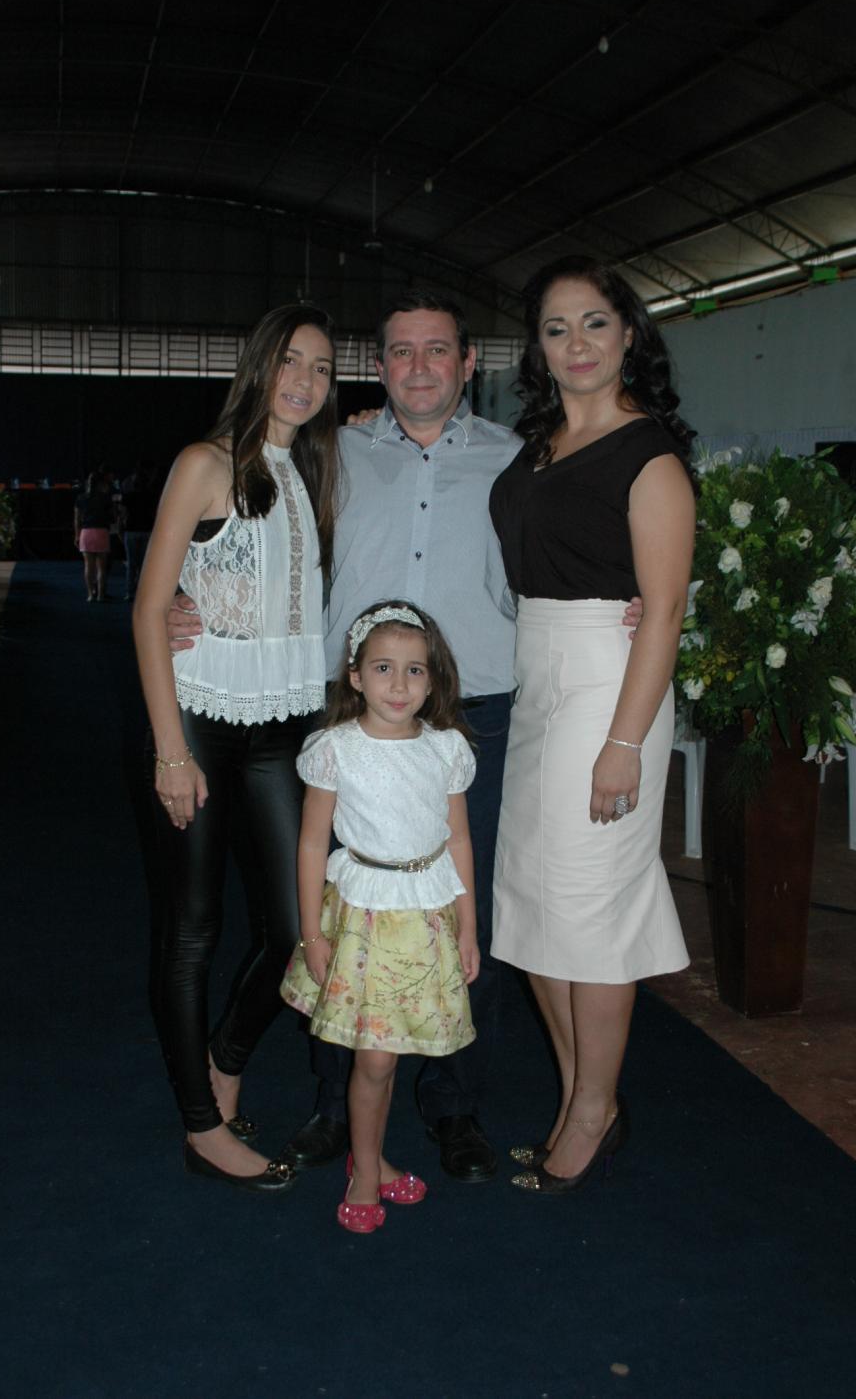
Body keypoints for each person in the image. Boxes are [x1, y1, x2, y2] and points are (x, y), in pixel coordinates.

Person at [167, 291, 640, 1183]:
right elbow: (251, 540)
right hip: (345, 718)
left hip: (473, 715)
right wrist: (183, 599)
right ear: (378, 366)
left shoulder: (520, 459)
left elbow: (576, 546)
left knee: (463, 909)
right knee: (341, 913)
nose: (419, 366)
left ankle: (454, 1105)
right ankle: (333, 1101)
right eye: (400, 351)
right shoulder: (330, 452)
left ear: (469, 363)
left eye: (438, 350)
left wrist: (633, 594)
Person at [489, 254, 695, 1195]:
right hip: (538, 677)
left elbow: (664, 609)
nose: (577, 343)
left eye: (595, 323)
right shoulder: (537, 447)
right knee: (535, 903)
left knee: (592, 908)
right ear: (538, 348)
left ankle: (589, 1111)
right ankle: (587, 1097)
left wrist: (623, 742)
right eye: (556, 328)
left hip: (609, 688)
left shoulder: (648, 454)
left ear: (629, 334)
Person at [132, 303, 342, 1193]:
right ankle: (200, 1123)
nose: (304, 380)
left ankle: (224, 1058)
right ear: (259, 364)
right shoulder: (204, 463)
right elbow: (150, 609)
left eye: (322, 368)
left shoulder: (314, 470)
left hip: (282, 727)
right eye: (290, 360)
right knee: (193, 930)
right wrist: (169, 751)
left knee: (297, 928)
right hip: (198, 723)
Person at [280, 600, 478, 1230]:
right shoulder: (336, 749)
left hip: (424, 919)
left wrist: (469, 929)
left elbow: (459, 840)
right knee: (374, 1059)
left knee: (388, 1054)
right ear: (356, 677)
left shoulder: (445, 749)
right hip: (364, 922)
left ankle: (370, 1157)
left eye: (415, 670)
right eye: (383, 668)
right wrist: (311, 932)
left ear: (433, 680)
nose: (399, 684)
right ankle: (365, 1171)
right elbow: (312, 844)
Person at [119, 460, 161, 600]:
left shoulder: (128, 497)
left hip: (131, 530)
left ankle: (130, 592)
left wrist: (121, 529)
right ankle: (144, 592)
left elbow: (122, 515)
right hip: (147, 530)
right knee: (144, 564)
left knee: (131, 564)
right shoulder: (151, 496)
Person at [74, 468, 115, 601]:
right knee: (101, 568)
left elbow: (77, 520)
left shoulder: (81, 498)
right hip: (102, 531)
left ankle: (90, 594)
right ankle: (100, 595)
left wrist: (77, 535)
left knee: (88, 566)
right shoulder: (105, 498)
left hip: (86, 532)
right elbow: (112, 515)